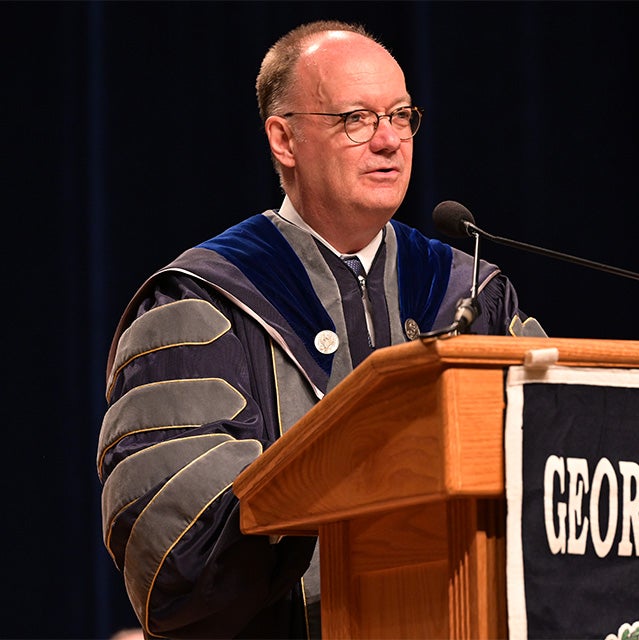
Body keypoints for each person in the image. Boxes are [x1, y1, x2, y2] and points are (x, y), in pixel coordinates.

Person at [97, 19, 545, 640]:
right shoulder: (203, 302)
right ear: (283, 139)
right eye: (356, 119)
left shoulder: (472, 294)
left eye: (401, 116)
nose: (389, 141)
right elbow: (176, 551)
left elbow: (551, 483)